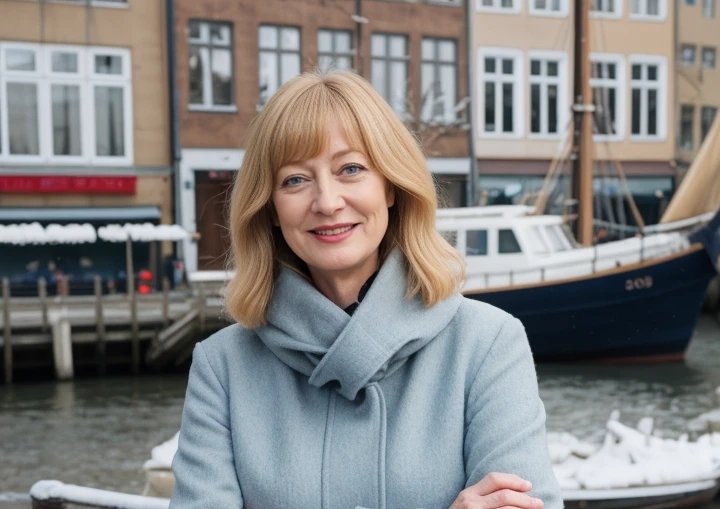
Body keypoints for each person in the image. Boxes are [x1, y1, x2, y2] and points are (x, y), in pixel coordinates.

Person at [171, 71, 562, 509]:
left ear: (390, 186)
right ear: (272, 209)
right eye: (295, 179)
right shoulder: (222, 368)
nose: (327, 202)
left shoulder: (487, 344)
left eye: (351, 169)